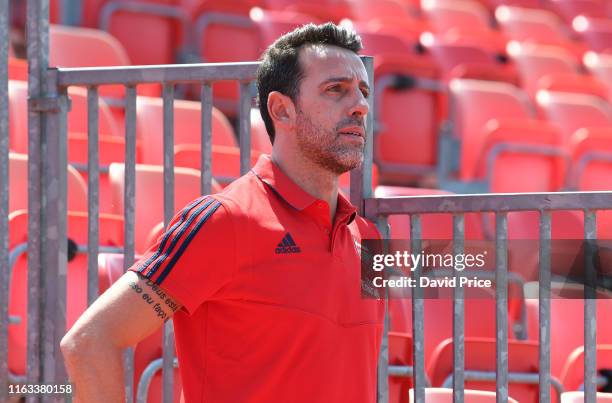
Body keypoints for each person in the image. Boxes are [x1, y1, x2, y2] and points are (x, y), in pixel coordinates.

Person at [61, 22, 384, 403]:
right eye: (336, 90)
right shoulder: (223, 220)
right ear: (282, 109)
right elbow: (88, 340)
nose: (360, 105)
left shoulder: (372, 240)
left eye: (363, 91)